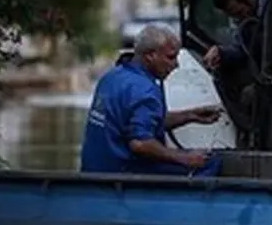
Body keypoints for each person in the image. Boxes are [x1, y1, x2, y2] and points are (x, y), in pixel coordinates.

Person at [79, 25, 224, 177]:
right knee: (212, 163)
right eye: (170, 57)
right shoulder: (145, 90)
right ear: (150, 56)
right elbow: (140, 144)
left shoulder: (112, 76)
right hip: (122, 170)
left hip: (94, 168)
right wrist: (185, 158)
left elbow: (140, 122)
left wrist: (190, 116)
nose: (176, 65)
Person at [203, 0, 270, 72]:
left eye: (240, 12)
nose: (239, 19)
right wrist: (221, 53)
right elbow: (240, 47)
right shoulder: (245, 20)